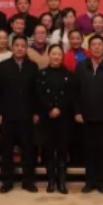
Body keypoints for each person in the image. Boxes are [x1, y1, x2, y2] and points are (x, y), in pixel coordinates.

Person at [0, 35, 40, 193]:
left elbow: (36, 92)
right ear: (12, 47)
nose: (20, 48)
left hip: (27, 115)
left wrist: (36, 112)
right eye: (17, 45)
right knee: (6, 150)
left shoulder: (33, 67)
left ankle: (28, 181)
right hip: (7, 116)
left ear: (26, 48)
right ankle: (7, 181)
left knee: (28, 150)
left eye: (23, 46)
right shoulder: (2, 66)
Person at [74, 35, 103, 193]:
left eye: (100, 45)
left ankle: (101, 182)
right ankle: (89, 181)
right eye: (93, 44)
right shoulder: (81, 66)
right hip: (85, 117)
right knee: (88, 150)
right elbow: (75, 92)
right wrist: (77, 112)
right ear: (89, 48)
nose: (97, 47)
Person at [36, 44, 75, 194]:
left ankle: (62, 182)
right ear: (49, 55)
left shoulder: (69, 74)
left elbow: (70, 96)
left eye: (59, 54)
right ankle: (51, 181)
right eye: (53, 54)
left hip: (64, 118)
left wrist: (59, 108)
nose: (56, 57)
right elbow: (39, 94)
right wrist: (50, 108)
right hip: (47, 118)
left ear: (62, 56)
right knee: (48, 150)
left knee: (62, 150)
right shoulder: (41, 74)